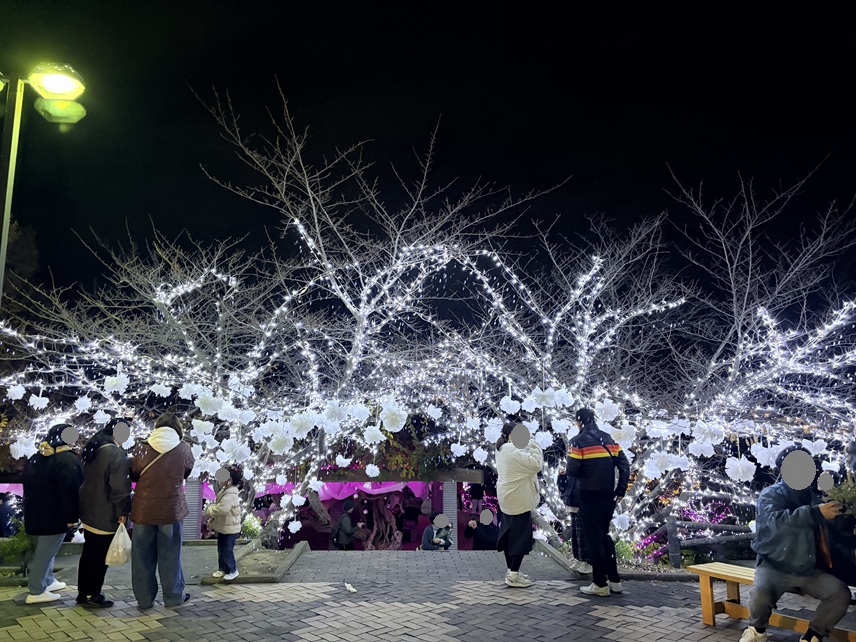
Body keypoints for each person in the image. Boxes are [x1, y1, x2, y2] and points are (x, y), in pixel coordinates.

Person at [740, 445, 851, 642]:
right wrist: (816, 513)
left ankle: (813, 635)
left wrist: (843, 514)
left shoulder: (815, 496)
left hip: (809, 569)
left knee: (840, 594)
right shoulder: (771, 494)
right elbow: (775, 521)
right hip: (774, 565)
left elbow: (833, 533)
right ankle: (757, 630)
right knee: (760, 596)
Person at [129, 412, 195, 609]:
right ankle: (173, 597)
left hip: (143, 510)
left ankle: (144, 599)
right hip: (171, 510)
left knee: (141, 556)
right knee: (170, 554)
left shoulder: (141, 447)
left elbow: (133, 473)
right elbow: (187, 471)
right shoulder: (184, 449)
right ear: (178, 429)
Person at [566, 407, 630, 597]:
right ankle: (615, 580)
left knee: (593, 539)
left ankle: (600, 583)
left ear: (579, 421)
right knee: (604, 536)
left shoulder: (577, 442)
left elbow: (573, 471)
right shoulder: (609, 440)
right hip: (608, 496)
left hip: (588, 495)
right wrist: (620, 490)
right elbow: (624, 465)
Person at [21, 424, 84, 604]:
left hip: (35, 512)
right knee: (46, 552)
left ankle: (48, 581)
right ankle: (36, 590)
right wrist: (72, 517)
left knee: (43, 549)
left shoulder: (37, 456)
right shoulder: (67, 460)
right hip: (55, 514)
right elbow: (71, 491)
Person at [77, 419, 132, 608]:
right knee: (100, 556)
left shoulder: (94, 449)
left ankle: (83, 592)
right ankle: (94, 594)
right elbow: (119, 488)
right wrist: (123, 511)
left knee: (89, 553)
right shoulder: (116, 454)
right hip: (105, 512)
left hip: (88, 510)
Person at [495, 422, 543, 587]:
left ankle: (511, 571)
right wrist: (532, 443)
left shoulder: (502, 448)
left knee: (509, 536)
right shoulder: (510, 449)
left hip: (508, 499)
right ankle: (514, 575)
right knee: (519, 538)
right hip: (518, 500)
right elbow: (536, 464)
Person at [204, 465, 242, 581]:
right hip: (224, 526)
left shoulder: (230, 495)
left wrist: (209, 509)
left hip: (230, 528)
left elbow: (221, 509)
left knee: (227, 550)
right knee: (221, 549)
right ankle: (223, 569)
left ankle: (233, 570)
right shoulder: (225, 492)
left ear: (229, 480)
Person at [558, 463, 592, 574]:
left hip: (581, 504)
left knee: (581, 535)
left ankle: (586, 562)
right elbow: (563, 487)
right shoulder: (572, 468)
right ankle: (578, 559)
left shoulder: (585, 467)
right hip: (572, 502)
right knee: (575, 535)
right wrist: (562, 476)